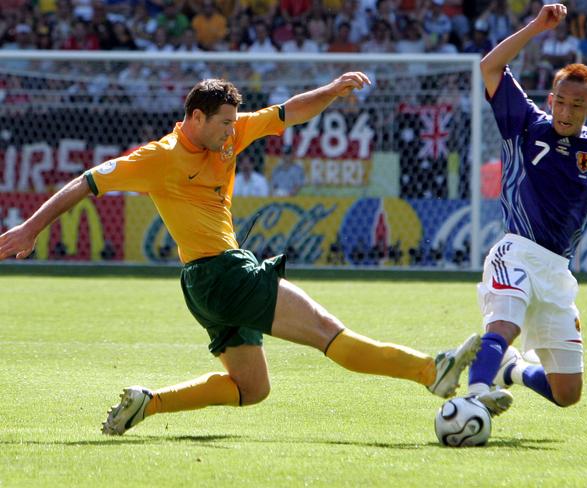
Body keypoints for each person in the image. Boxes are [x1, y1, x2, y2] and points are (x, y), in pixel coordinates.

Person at [0, 72, 482, 436]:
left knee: (253, 389)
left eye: (235, 122)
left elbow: (289, 111)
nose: (233, 132)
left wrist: (333, 90)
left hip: (204, 285)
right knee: (325, 333)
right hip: (222, 274)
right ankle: (429, 370)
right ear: (195, 118)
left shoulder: (231, 135)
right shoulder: (157, 158)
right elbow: (85, 183)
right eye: (224, 124)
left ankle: (149, 403)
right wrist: (29, 227)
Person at [466, 3, 587, 416]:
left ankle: (510, 372)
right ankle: (472, 398)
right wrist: (535, 27)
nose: (566, 112)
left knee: (567, 393)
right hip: (515, 251)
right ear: (550, 99)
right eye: (561, 102)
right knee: (504, 327)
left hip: (557, 273)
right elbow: (490, 67)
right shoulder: (526, 124)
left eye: (576, 106)